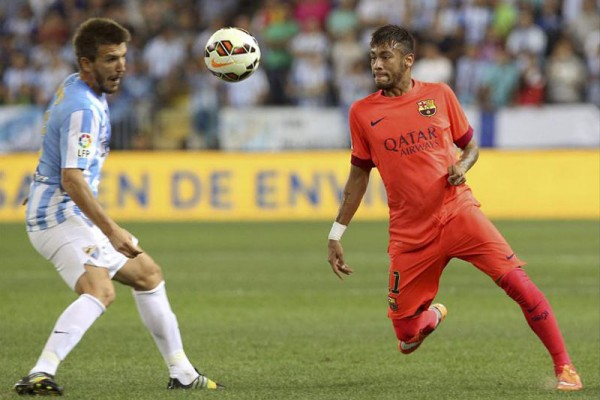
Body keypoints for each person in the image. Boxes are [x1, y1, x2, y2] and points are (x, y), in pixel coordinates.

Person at [326, 24, 582, 392]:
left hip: (458, 212)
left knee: (519, 284)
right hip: (410, 233)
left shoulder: (439, 95)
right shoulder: (363, 112)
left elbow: (471, 147)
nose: (376, 65)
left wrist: (462, 165)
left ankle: (566, 367)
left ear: (408, 60)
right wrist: (336, 233)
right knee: (406, 337)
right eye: (373, 57)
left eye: (385, 56)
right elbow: (357, 179)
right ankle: (430, 316)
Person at [14, 18, 222, 396]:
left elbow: (55, 150)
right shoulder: (84, 108)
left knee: (148, 274)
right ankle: (39, 372)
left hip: (60, 207)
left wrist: (40, 183)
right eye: (110, 59)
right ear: (86, 63)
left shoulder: (75, 87)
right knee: (100, 291)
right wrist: (113, 230)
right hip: (58, 215)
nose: (122, 67)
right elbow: (72, 178)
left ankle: (183, 373)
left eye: (123, 57)